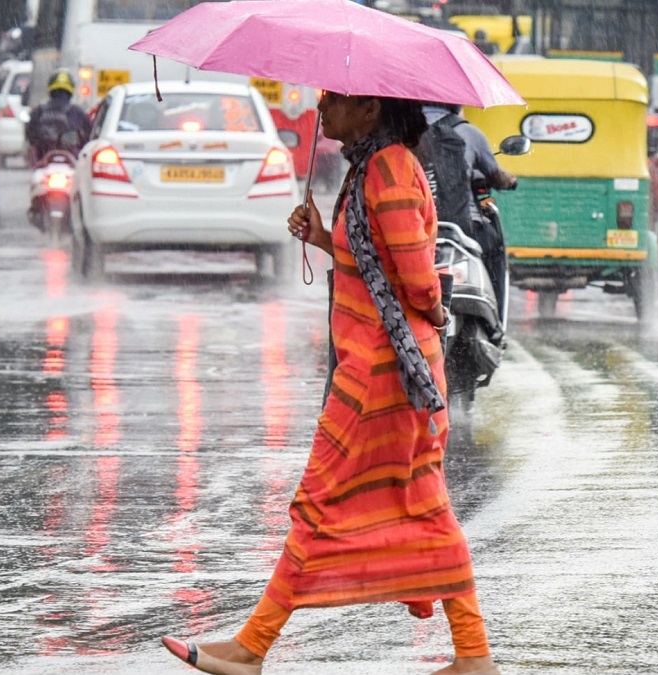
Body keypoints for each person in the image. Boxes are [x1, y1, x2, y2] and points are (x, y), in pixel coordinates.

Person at [161, 92, 500, 675]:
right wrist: (324, 237)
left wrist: (437, 314)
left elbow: (418, 276)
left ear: (370, 108)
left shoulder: (389, 167)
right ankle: (473, 657)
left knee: (320, 503)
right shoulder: (372, 165)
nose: (322, 107)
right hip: (380, 366)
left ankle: (252, 646)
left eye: (334, 99)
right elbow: (382, 265)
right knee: (424, 504)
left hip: (381, 374)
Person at [422, 102, 517, 308]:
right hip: (463, 227)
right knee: (494, 249)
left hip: (415, 227)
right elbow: (497, 178)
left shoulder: (404, 133)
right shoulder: (470, 133)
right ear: (455, 103)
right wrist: (511, 181)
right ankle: (495, 315)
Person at [25, 69, 92, 164]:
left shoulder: (39, 111)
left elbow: (30, 138)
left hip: (44, 162)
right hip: (71, 163)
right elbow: (89, 136)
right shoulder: (78, 112)